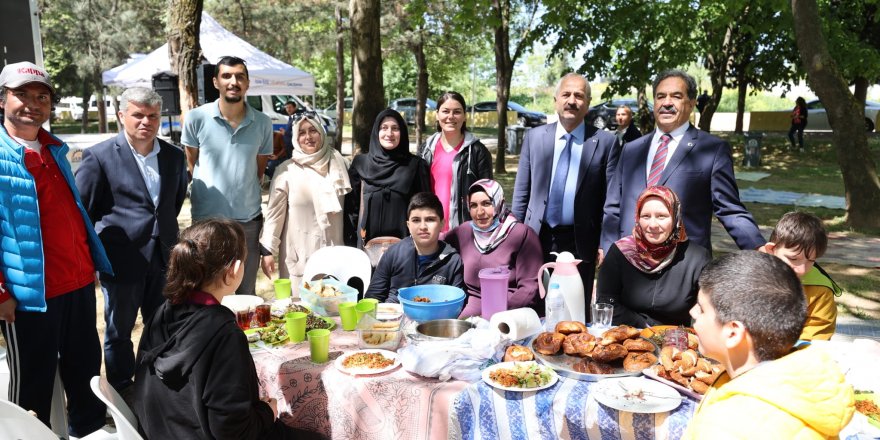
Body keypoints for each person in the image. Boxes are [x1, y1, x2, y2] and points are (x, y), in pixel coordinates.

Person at [0, 61, 112, 437]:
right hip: (31, 298)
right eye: (22, 95)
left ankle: (90, 432)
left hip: (78, 284)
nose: (33, 104)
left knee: (86, 376)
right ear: (3, 100)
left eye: (41, 97)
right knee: (32, 386)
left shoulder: (54, 149)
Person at [133, 219, 299, 439]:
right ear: (234, 270)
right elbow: (232, 431)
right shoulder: (224, 335)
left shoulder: (161, 313)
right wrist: (267, 412)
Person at [75, 87, 188, 395]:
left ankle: (158, 390)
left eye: (152, 116)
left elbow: (171, 205)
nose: (145, 122)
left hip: (164, 259)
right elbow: (84, 210)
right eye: (138, 114)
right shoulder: (98, 157)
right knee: (119, 333)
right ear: (121, 115)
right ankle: (124, 392)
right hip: (121, 261)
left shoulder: (174, 157)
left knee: (162, 328)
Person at [682, 251, 854, 439]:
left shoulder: (727, 426)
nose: (692, 312)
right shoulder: (801, 379)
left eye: (702, 308)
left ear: (733, 333)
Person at [602, 69, 764, 259]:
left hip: (684, 264)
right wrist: (607, 247)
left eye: (676, 96)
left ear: (692, 103)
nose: (667, 103)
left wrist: (758, 246)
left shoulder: (712, 150)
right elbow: (612, 206)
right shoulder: (631, 150)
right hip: (630, 260)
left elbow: (729, 208)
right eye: (660, 96)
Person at [511, 73, 620, 312]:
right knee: (533, 302)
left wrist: (606, 241)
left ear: (588, 103)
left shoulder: (604, 142)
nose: (572, 100)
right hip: (536, 236)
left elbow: (612, 199)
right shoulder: (535, 137)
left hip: (581, 239)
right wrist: (514, 233)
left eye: (579, 96)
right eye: (566, 94)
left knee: (574, 310)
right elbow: (521, 191)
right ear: (555, 99)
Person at [182, 55, 273, 296]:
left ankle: (241, 336)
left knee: (245, 292)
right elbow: (193, 163)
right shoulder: (195, 118)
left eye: (240, 76)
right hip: (206, 220)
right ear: (215, 82)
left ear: (247, 83)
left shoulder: (263, 123)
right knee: (205, 289)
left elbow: (259, 169)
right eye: (227, 76)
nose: (234, 81)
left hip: (248, 221)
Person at [595, 186, 711, 327]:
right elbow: (606, 304)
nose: (653, 225)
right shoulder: (620, 252)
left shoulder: (697, 258)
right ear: (637, 218)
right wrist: (646, 327)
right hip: (625, 337)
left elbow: (709, 309)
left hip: (674, 341)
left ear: (676, 218)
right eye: (646, 216)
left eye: (661, 216)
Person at [259, 113, 351, 287]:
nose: (308, 137)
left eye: (313, 130)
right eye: (301, 133)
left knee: (334, 309)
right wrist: (268, 250)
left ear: (322, 134)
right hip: (300, 255)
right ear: (295, 137)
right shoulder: (286, 171)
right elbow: (274, 215)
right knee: (300, 310)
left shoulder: (341, 164)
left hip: (335, 254)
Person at [445, 179, 543, 317]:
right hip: (471, 308)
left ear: (499, 203)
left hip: (509, 312)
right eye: (473, 205)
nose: (480, 212)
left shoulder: (522, 234)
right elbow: (435, 243)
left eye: (486, 203)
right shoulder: (464, 231)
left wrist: (497, 316)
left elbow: (529, 289)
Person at [345, 109, 430, 248]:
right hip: (366, 248)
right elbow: (351, 210)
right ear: (376, 132)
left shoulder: (415, 166)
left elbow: (424, 209)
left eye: (395, 128)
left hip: (406, 249)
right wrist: (350, 244)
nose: (389, 133)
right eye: (384, 128)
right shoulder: (361, 164)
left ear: (402, 133)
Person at [364, 192, 465, 303]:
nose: (423, 227)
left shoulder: (452, 261)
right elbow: (372, 298)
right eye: (416, 220)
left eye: (430, 219)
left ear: (442, 223)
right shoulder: (394, 253)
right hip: (393, 317)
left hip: (434, 318)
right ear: (408, 225)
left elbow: (456, 304)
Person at [419, 91, 493, 232]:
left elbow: (488, 195)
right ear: (437, 115)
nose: (450, 117)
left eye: (457, 112)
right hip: (430, 230)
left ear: (465, 116)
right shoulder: (426, 150)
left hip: (465, 231)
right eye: (445, 111)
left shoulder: (477, 151)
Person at [761, 211, 840, 341]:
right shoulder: (752, 277)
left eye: (811, 261)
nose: (802, 270)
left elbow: (817, 332)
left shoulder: (820, 289)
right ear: (771, 250)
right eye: (793, 258)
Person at [266, 100, 297, 179]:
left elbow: (298, 133)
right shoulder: (291, 117)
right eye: (286, 108)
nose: (288, 109)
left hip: (292, 146)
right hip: (288, 146)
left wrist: (285, 133)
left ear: (294, 107)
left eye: (290, 107)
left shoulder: (296, 118)